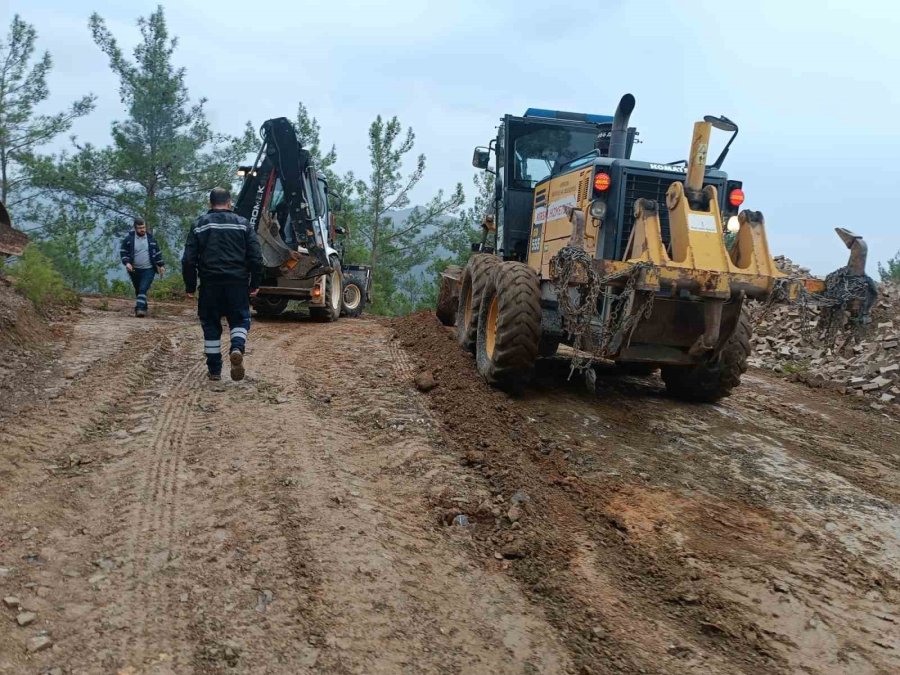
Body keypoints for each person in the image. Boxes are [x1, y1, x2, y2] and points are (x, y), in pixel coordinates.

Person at [182, 187, 263, 382]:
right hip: (237, 283)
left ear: (210, 203)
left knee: (210, 324)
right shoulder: (243, 224)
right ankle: (236, 347)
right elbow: (256, 258)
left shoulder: (199, 225)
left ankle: (215, 371)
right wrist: (255, 283)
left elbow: (188, 260)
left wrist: (190, 286)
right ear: (229, 202)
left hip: (210, 284)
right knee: (240, 320)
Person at [119, 217, 165, 317]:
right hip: (134, 269)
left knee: (143, 288)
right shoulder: (129, 240)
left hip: (149, 269)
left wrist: (161, 265)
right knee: (138, 290)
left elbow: (157, 253)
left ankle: (139, 309)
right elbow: (123, 252)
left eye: (143, 227)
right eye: (140, 228)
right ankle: (143, 308)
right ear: (135, 228)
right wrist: (127, 263)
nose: (142, 229)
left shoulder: (151, 239)